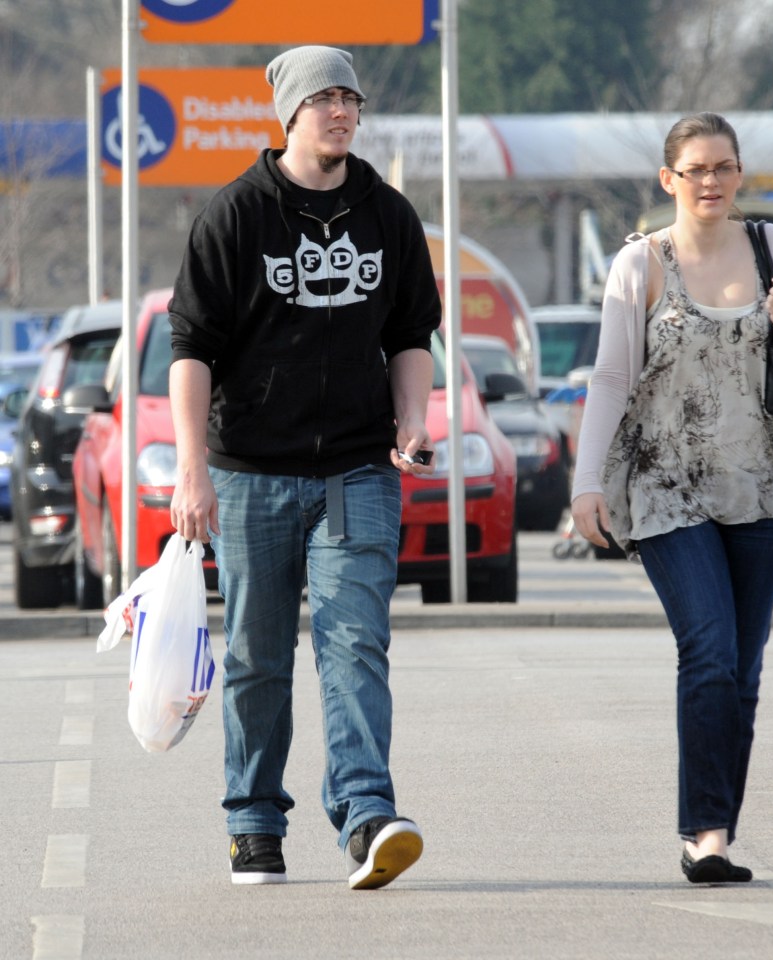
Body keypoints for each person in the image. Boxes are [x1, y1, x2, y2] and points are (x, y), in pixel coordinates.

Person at [167, 45, 441, 889]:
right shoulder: (236, 215)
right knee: (256, 654)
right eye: (322, 98)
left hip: (357, 470)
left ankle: (366, 817)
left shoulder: (387, 215)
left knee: (356, 642)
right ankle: (253, 821)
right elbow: (191, 350)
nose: (340, 113)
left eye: (349, 99)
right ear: (288, 112)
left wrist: (411, 420)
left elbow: (408, 336)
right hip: (250, 471)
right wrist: (190, 469)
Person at [571, 112, 773, 884]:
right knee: (709, 652)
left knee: (744, 671)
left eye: (724, 166)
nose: (712, 181)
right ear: (669, 181)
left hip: (758, 483)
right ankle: (704, 838)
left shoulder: (771, 248)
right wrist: (586, 483)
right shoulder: (641, 264)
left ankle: (717, 824)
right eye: (696, 169)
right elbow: (610, 380)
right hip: (665, 488)